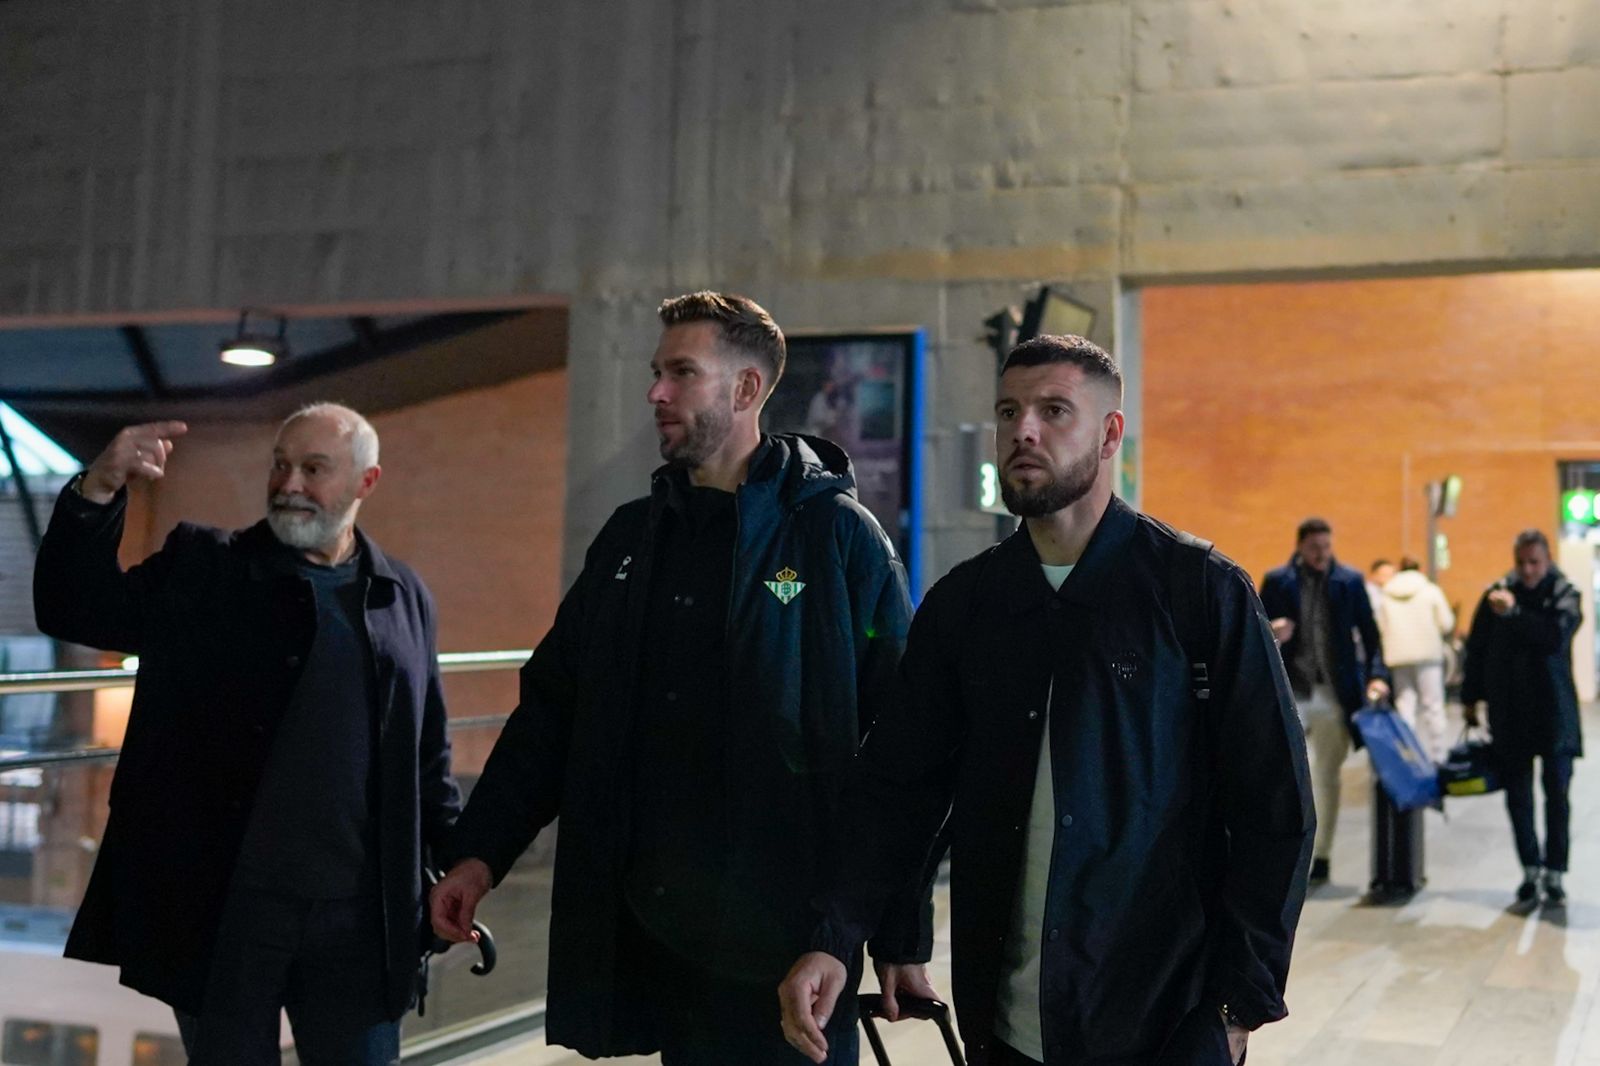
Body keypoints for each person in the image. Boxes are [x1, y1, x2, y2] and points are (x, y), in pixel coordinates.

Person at [779, 335, 1314, 1066]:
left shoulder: (1199, 591)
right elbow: (897, 788)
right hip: (1007, 1026)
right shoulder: (966, 606)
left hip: (1163, 1017)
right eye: (1009, 411)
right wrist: (836, 937)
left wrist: (1236, 1004)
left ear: (1109, 434)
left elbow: (1275, 810)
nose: (1023, 431)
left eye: (1053, 410)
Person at [429, 291, 920, 1063]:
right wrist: (480, 852)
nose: (655, 393)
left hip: (789, 953)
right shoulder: (633, 539)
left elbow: (901, 749)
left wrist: (896, 935)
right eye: (657, 373)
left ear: (746, 390)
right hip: (655, 939)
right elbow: (553, 709)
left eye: (681, 373)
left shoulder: (836, 538)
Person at [33, 405, 460, 1065]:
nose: (290, 483)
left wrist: (454, 867)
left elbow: (428, 754)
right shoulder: (206, 568)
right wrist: (99, 488)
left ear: (365, 483)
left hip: (359, 923)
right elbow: (73, 606)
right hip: (228, 915)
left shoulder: (401, 593)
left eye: (314, 469)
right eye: (281, 464)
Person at [1259, 518, 1390, 886]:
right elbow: (1255, 631)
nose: (1322, 554)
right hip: (1291, 692)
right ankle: (1287, 848)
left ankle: (1322, 855)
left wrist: (1378, 675)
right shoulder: (1278, 581)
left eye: (1327, 547)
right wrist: (1272, 632)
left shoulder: (1349, 582)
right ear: (1300, 546)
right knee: (1285, 773)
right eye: (1315, 548)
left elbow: (1370, 633)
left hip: (1334, 693)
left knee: (1327, 776)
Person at [1461, 529, 1582, 907]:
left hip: (1554, 713)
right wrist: (1470, 697)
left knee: (1557, 795)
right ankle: (1530, 868)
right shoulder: (1495, 595)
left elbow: (1554, 638)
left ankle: (1555, 871)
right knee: (1518, 796)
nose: (1528, 571)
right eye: (1522, 563)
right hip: (1511, 712)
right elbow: (1476, 649)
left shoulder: (1564, 594)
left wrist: (1514, 613)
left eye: (1535, 562)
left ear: (1547, 560)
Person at [1375, 556, 1456, 763]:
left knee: (1405, 706)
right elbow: (1446, 622)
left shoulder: (1387, 593)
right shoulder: (1430, 590)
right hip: (1428, 655)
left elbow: (1380, 627)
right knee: (1433, 705)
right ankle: (1438, 755)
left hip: (1398, 656)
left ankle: (1409, 758)